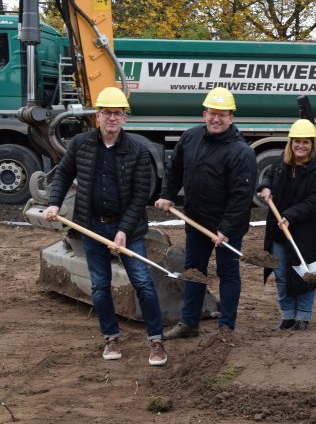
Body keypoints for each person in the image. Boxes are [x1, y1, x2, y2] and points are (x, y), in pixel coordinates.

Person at [44, 87, 167, 366]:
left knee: (144, 284)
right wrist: (54, 202)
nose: (112, 118)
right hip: (92, 228)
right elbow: (63, 174)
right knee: (100, 286)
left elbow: (140, 195)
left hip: (129, 230)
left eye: (118, 113)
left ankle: (156, 341)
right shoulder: (81, 144)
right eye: (107, 112)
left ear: (125, 118)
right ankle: (111, 337)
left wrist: (123, 230)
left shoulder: (137, 149)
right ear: (97, 116)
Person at [156, 87, 257, 339]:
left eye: (222, 114)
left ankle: (226, 328)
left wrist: (226, 229)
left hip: (227, 227)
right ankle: (189, 323)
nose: (216, 119)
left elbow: (241, 196)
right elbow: (174, 168)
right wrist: (168, 194)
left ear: (231, 117)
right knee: (194, 271)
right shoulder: (190, 138)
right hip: (196, 219)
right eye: (212, 113)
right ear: (204, 114)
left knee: (228, 274)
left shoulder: (241, 151)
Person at [258, 119, 316, 331]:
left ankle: (304, 317)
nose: (300, 146)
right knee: (281, 273)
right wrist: (265, 186)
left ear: (312, 144)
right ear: (291, 143)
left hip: (308, 231)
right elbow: (270, 175)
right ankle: (287, 316)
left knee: (306, 273)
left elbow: (315, 201)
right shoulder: (283, 162)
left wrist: (290, 214)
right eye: (297, 141)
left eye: (305, 142)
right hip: (280, 229)